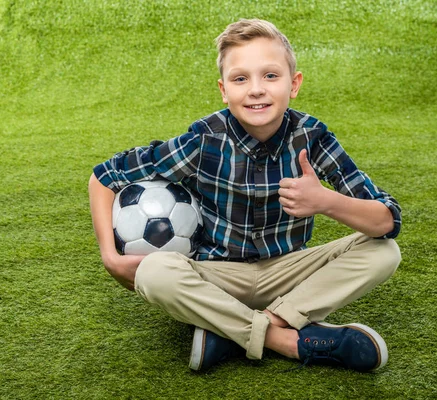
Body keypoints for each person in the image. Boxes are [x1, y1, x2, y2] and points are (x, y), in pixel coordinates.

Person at [88, 18, 401, 373]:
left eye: (270, 76)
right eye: (241, 79)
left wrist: (326, 201)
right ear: (224, 90)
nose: (256, 90)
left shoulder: (312, 137)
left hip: (287, 273)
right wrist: (110, 256)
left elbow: (387, 220)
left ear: (293, 84)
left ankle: (231, 330)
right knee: (154, 272)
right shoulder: (203, 139)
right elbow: (103, 177)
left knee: (383, 250)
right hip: (216, 276)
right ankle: (283, 339)